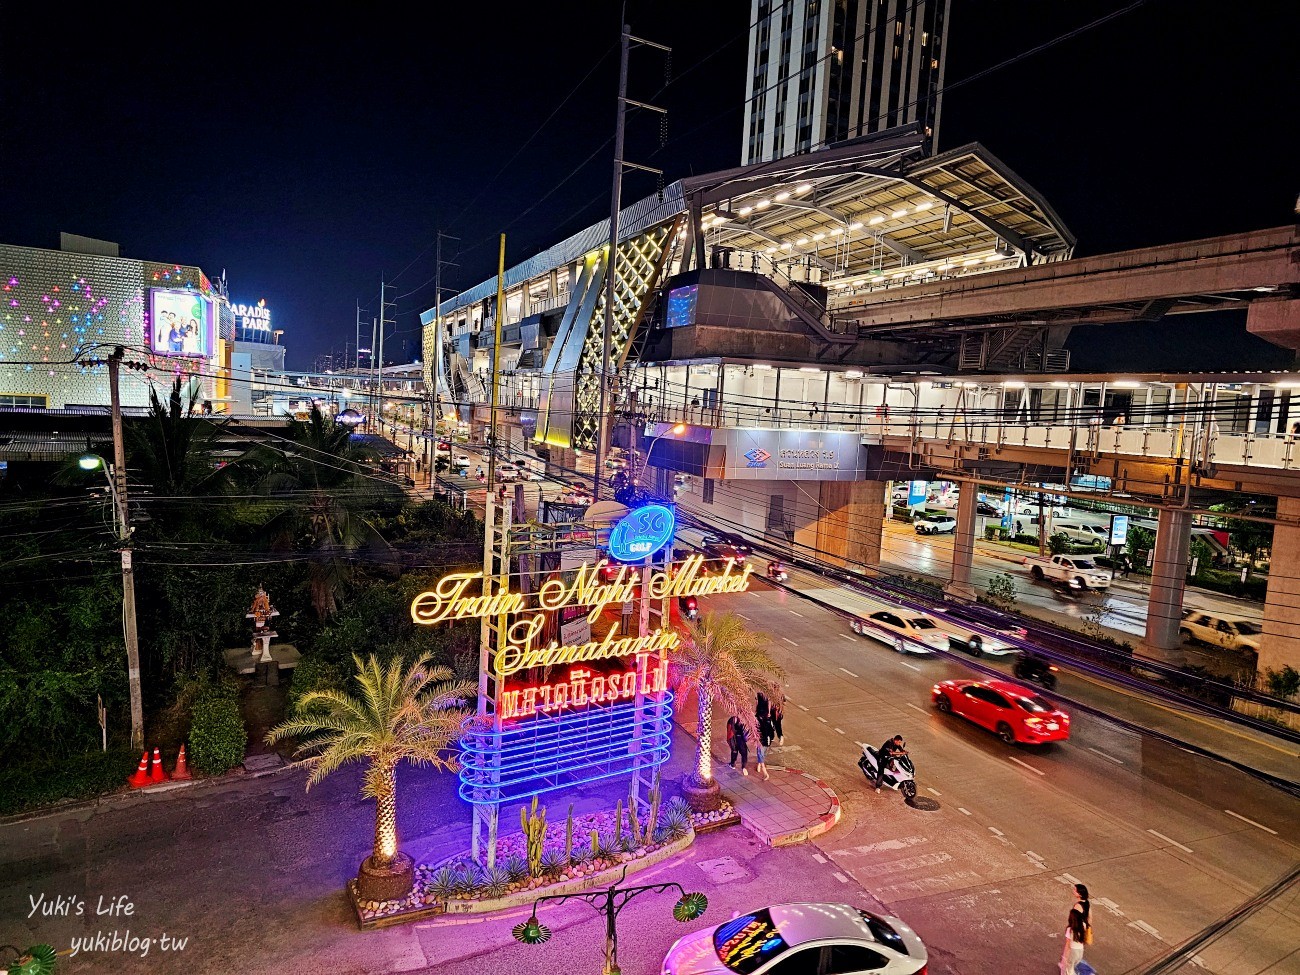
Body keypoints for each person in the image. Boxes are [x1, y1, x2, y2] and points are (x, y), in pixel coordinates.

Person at [1060, 883, 1091, 975]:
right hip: (1080, 952)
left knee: (1068, 970)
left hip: (1072, 952)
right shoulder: (1084, 925)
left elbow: (1068, 945)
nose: (1073, 891)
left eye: (1075, 890)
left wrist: (1064, 957)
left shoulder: (1071, 930)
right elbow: (1090, 916)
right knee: (1071, 968)